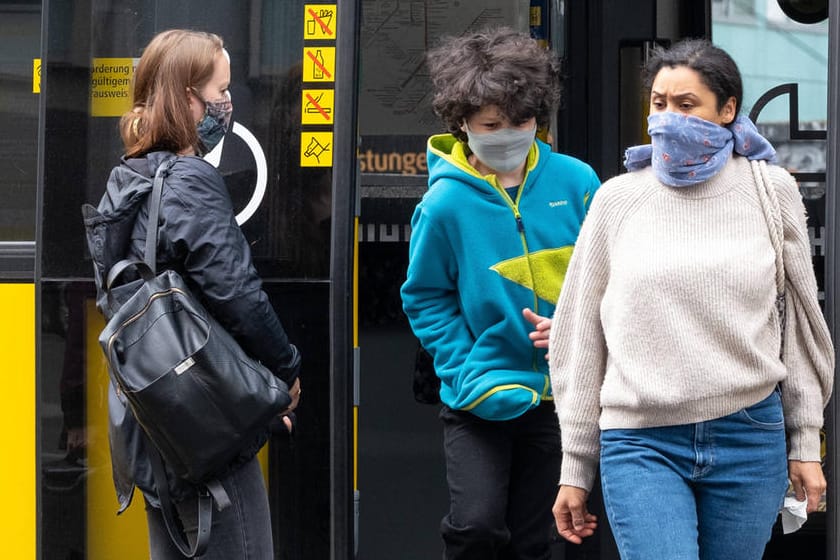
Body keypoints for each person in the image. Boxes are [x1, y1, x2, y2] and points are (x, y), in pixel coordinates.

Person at [548, 38, 834, 559]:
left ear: (727, 111)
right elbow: (579, 335)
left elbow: (798, 326)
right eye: (659, 104)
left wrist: (805, 441)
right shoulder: (617, 198)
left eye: (686, 105)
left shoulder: (771, 191)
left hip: (749, 433)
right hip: (640, 441)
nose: (667, 118)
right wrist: (575, 463)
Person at [88, 29, 301, 559]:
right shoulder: (189, 179)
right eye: (221, 92)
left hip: (153, 414)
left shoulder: (125, 178)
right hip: (206, 415)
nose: (227, 105)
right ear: (187, 97)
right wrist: (286, 370)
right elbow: (238, 292)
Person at [400, 27, 600, 559]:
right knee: (476, 527)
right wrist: (467, 367)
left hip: (562, 397)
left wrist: (580, 336)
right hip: (479, 397)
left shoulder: (578, 182)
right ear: (461, 123)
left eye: (523, 123)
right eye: (491, 124)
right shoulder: (443, 204)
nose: (508, 134)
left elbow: (612, 280)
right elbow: (425, 295)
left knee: (533, 540)